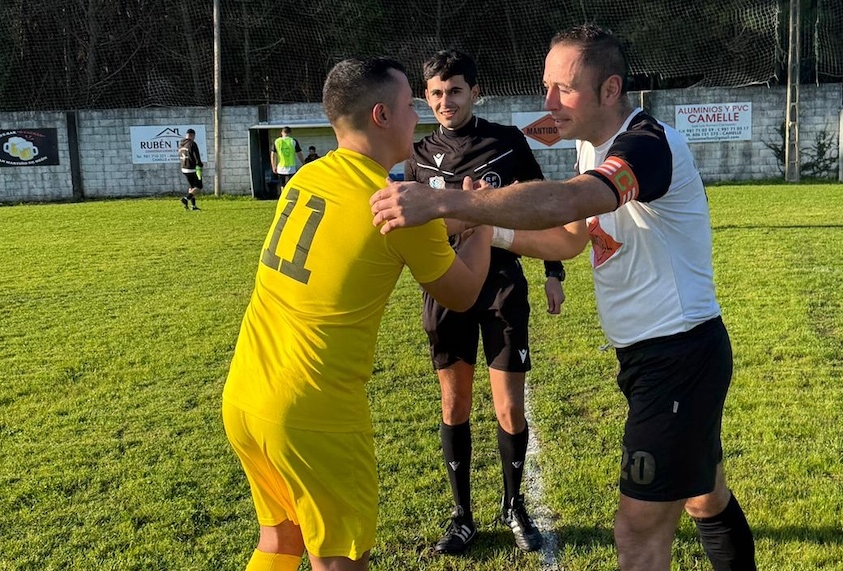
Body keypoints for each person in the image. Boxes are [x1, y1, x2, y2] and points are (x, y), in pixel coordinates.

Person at [371, 24, 756, 571]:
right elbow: (572, 238)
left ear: (609, 89)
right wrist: (485, 230)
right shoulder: (589, 144)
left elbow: (575, 201)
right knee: (704, 495)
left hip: (680, 355)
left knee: (638, 531)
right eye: (545, 86)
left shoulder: (647, 145)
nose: (547, 103)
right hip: (650, 357)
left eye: (564, 89)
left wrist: (450, 203)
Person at [222, 57, 493, 571]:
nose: (420, 114)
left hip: (246, 394)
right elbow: (462, 293)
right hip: (313, 411)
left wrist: (456, 209)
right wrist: (479, 223)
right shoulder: (395, 207)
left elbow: (384, 227)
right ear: (381, 116)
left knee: (280, 541)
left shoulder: (307, 177)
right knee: (341, 559)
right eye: (410, 103)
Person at [405, 48, 567, 555]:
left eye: (455, 90)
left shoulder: (506, 142)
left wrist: (553, 272)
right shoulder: (416, 155)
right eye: (435, 93)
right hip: (447, 287)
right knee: (454, 404)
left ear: (475, 91)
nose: (445, 101)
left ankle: (515, 505)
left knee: (508, 408)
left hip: (501, 288)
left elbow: (541, 205)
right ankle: (462, 517)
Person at [271, 126, 306, 192]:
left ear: (282, 133)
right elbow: (299, 154)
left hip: (281, 168)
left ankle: (283, 198)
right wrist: (303, 163)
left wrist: (273, 166)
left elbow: (273, 155)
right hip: (291, 168)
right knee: (290, 184)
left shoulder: (277, 141)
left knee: (282, 185)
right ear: (290, 133)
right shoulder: (293, 141)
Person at [178, 128, 203, 210]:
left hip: (183, 168)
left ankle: (193, 206)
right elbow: (196, 156)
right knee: (199, 186)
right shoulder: (192, 144)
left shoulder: (181, 144)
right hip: (191, 168)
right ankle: (186, 199)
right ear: (192, 135)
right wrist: (199, 165)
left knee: (192, 187)